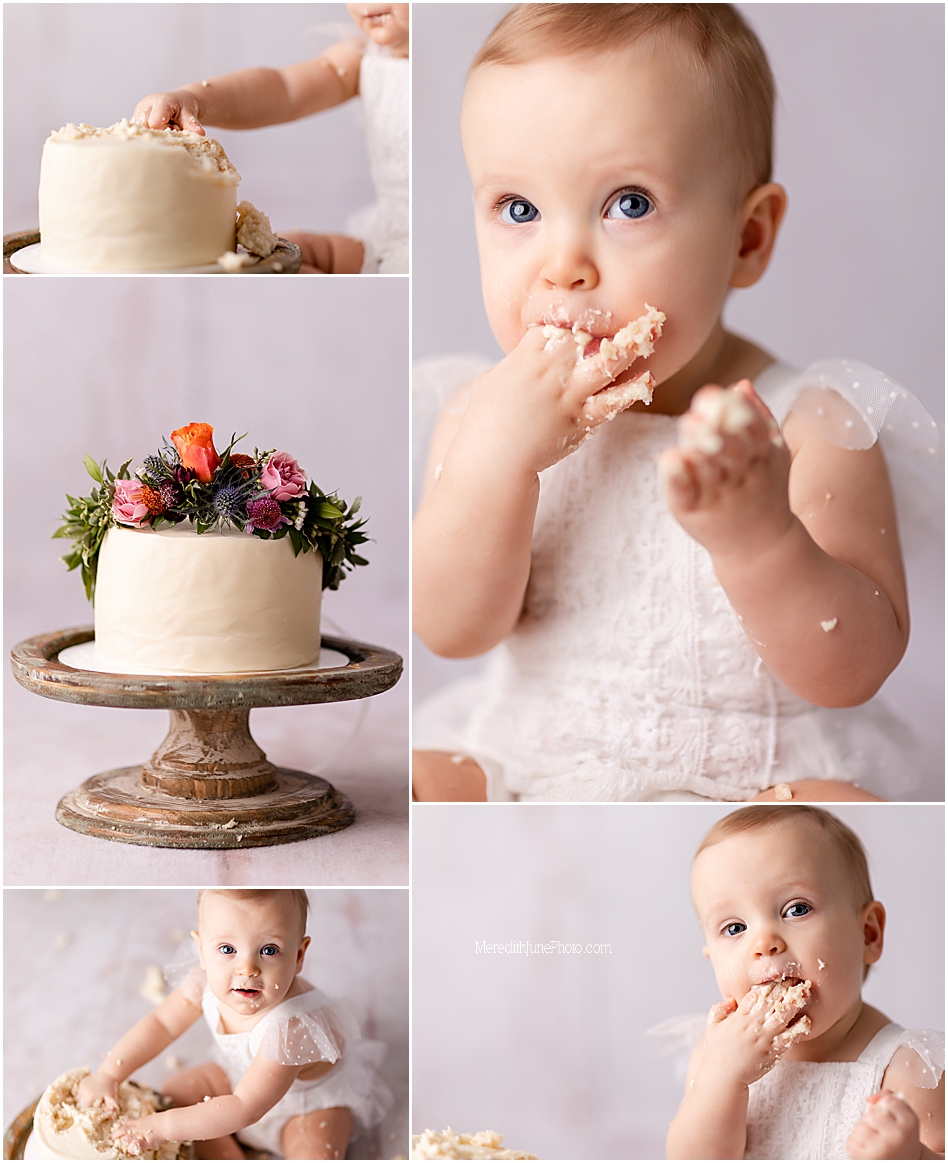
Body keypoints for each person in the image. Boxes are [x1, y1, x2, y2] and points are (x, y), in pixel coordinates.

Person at [411, 3, 940, 802]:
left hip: (763, 775)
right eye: (519, 209)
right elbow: (451, 631)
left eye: (629, 203)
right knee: (405, 790)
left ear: (747, 239)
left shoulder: (807, 427)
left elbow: (854, 670)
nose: (564, 267)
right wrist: (497, 457)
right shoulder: (481, 414)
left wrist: (761, 536)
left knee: (842, 816)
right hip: (537, 753)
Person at [666, 805, 944, 1158]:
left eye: (797, 909)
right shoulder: (715, 1052)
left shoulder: (909, 1069)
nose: (764, 942)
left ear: (868, 933)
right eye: (734, 928)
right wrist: (723, 1077)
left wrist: (911, 1155)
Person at [77, 889, 391, 1160]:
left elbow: (245, 1107)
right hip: (236, 1077)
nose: (247, 968)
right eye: (227, 949)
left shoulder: (291, 1028)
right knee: (176, 1092)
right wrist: (109, 1073)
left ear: (298, 956)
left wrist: (163, 1127)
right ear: (201, 951)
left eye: (269, 950)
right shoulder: (202, 981)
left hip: (304, 1105)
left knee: (314, 1155)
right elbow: (161, 1023)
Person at [133, 4, 408, 273]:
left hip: (424, 244)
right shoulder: (363, 55)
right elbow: (282, 89)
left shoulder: (447, 60)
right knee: (281, 255)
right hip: (388, 229)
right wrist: (194, 99)